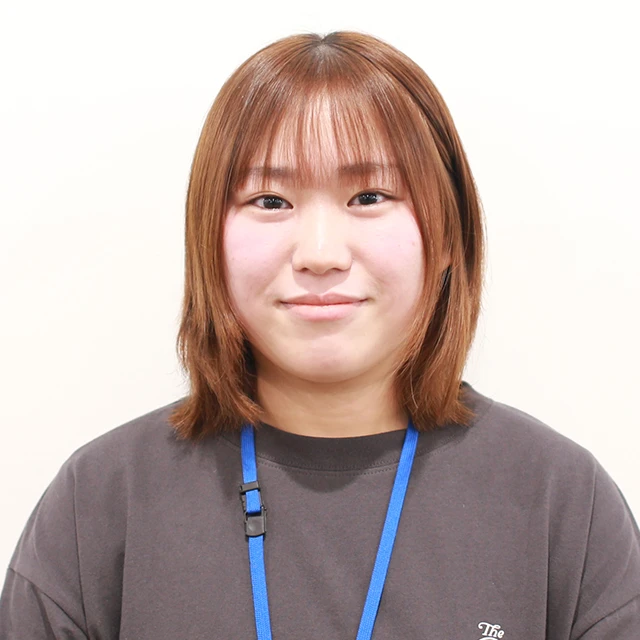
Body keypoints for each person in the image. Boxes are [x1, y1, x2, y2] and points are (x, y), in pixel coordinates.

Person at [1, 30, 638, 639]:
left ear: (448, 235)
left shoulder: (560, 502)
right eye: (270, 201)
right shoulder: (100, 502)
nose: (321, 253)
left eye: (370, 196)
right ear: (208, 238)